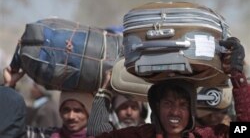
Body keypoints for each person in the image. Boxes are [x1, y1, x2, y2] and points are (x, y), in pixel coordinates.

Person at [88, 37, 250, 138]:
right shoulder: (140, 135)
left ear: (192, 110)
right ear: (156, 106)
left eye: (183, 105)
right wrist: (104, 93)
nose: (175, 112)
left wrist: (236, 75)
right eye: (168, 103)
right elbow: (99, 135)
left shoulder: (206, 136)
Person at [2, 67, 93, 138]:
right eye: (66, 110)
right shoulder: (46, 135)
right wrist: (9, 86)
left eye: (77, 111)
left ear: (88, 113)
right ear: (60, 112)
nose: (71, 116)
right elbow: (12, 130)